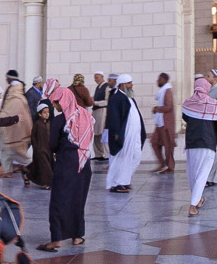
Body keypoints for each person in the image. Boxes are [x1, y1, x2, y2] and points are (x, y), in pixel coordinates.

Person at [41, 81, 92, 248]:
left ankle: (56, 239)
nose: (55, 105)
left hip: (66, 163)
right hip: (84, 163)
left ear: (62, 101)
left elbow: (52, 144)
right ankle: (77, 236)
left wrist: (57, 150)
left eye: (56, 102)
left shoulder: (59, 120)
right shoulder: (85, 115)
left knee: (59, 200)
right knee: (78, 199)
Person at [182, 75, 217, 216]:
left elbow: (185, 118)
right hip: (207, 145)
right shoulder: (214, 105)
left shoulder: (188, 104)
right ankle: (192, 206)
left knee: (193, 175)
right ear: (207, 88)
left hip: (191, 144)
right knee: (202, 175)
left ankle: (198, 199)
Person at [103, 74, 145, 192]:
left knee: (136, 156)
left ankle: (124, 180)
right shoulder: (116, 98)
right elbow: (114, 116)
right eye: (129, 83)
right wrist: (116, 133)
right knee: (121, 158)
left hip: (134, 134)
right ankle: (117, 183)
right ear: (122, 84)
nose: (131, 85)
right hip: (124, 135)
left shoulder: (129, 97)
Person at [152, 73, 177, 174]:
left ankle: (170, 167)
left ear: (164, 80)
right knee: (154, 142)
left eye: (160, 79)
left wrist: (156, 109)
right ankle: (162, 164)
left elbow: (168, 106)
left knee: (168, 146)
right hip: (160, 123)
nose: (158, 81)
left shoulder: (167, 91)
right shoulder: (162, 91)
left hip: (166, 123)